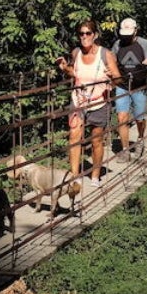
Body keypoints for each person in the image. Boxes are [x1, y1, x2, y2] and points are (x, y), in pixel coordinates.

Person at [56, 18, 122, 188]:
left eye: (87, 33)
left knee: (96, 140)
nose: (84, 37)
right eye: (81, 34)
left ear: (95, 35)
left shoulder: (105, 54)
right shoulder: (76, 52)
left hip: (99, 102)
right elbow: (74, 73)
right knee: (74, 137)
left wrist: (111, 78)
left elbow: (118, 79)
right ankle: (74, 176)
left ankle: (95, 174)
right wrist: (65, 68)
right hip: (78, 101)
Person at [111, 17, 147, 160]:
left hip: (139, 86)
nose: (126, 37)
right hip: (122, 85)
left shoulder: (144, 44)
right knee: (121, 117)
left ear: (136, 31)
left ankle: (141, 138)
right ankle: (125, 150)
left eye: (129, 34)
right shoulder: (118, 44)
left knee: (139, 117)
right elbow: (112, 61)